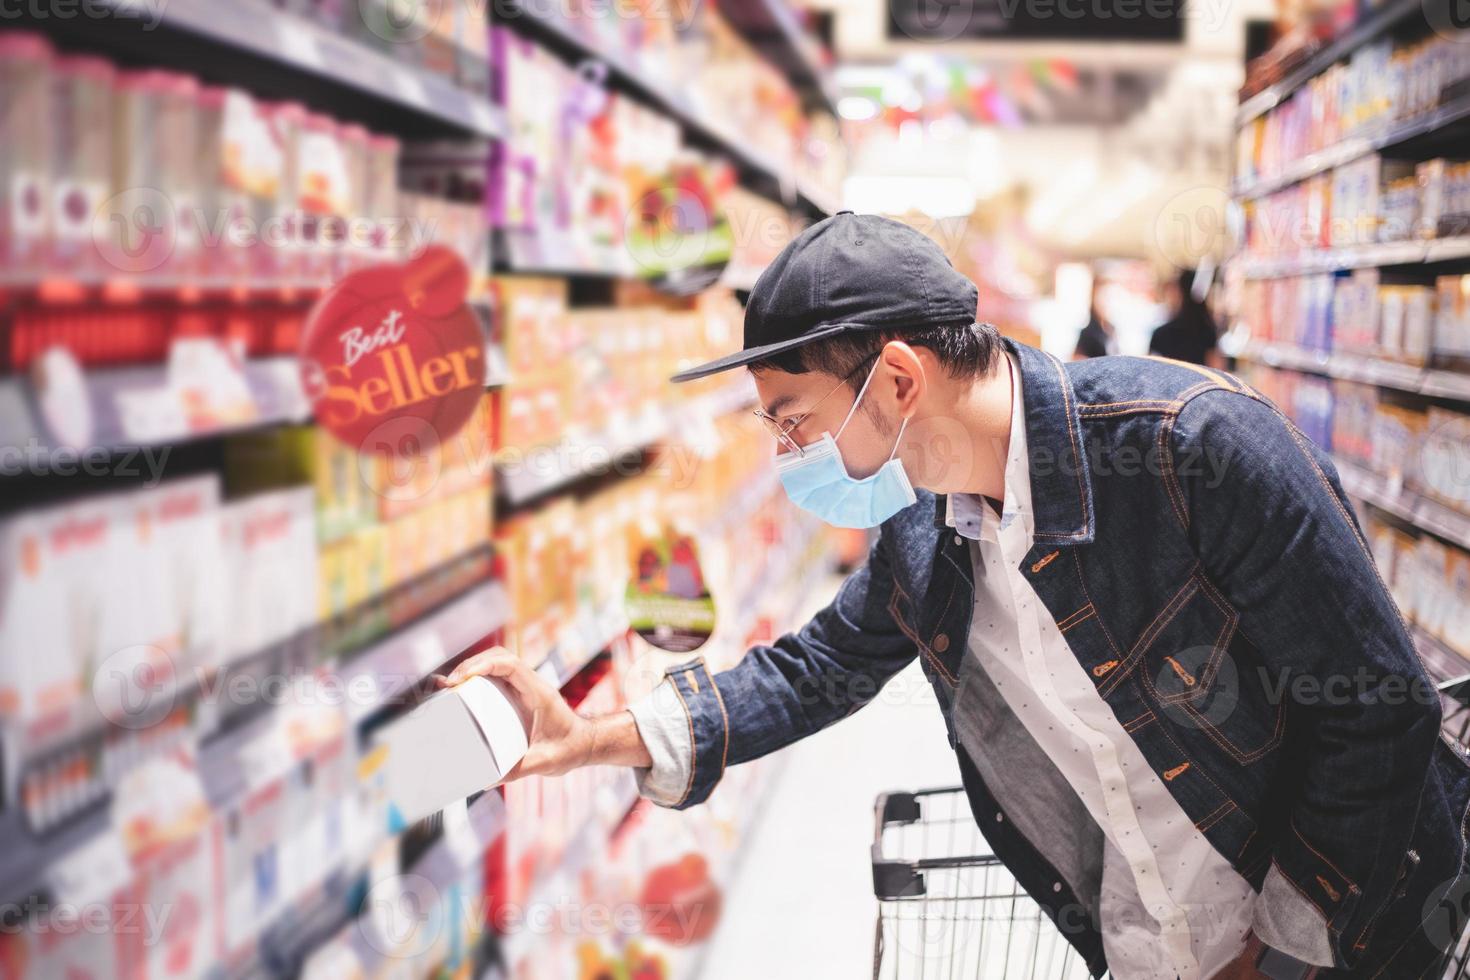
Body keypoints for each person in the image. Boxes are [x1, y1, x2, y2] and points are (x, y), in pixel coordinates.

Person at [442, 213, 1470, 980]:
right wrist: (589, 736)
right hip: (1157, 947)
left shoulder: (1189, 447)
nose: (787, 453)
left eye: (792, 419)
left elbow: (1379, 708)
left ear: (895, 379)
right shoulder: (925, 530)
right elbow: (817, 667)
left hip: (1350, 934)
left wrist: (1287, 941)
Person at [1151, 268, 1221, 367]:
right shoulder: (1207, 331)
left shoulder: (1161, 334)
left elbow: (1151, 370)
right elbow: (1217, 368)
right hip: (1201, 381)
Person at [1073, 277, 1117, 359]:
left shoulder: (1111, 329)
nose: (1108, 303)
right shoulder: (1088, 333)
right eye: (1104, 297)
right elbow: (1078, 360)